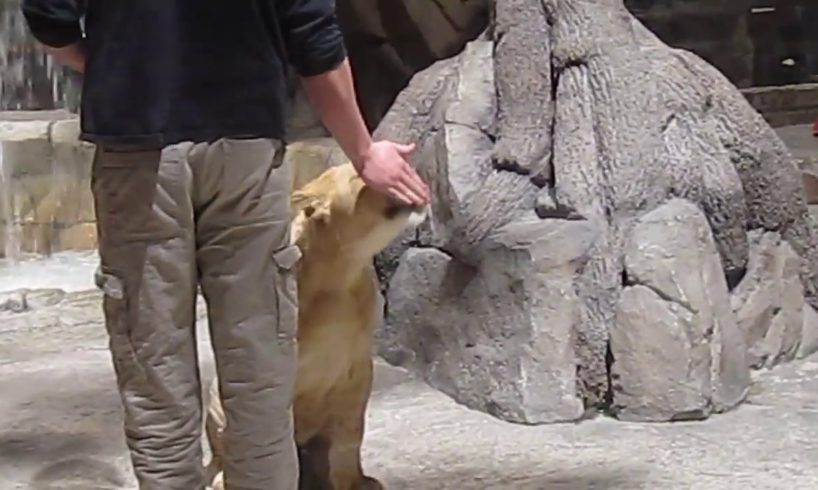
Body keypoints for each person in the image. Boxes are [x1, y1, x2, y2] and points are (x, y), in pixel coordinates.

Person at [21, 1, 430, 489]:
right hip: (247, 148)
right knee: (258, 372)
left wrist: (110, 62)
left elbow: (48, 12)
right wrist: (363, 153)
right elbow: (313, 32)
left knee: (155, 372)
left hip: (137, 150)